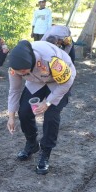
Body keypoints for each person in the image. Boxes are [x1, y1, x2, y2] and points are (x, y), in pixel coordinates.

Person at [6, 40, 76, 175]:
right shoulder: (15, 68)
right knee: (24, 111)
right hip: (37, 82)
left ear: (31, 62)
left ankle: (45, 153)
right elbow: (14, 90)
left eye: (23, 72)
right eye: (18, 72)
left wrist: (48, 102)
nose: (20, 74)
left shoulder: (52, 60)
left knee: (51, 117)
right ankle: (32, 144)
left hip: (60, 82)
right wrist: (11, 116)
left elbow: (66, 83)